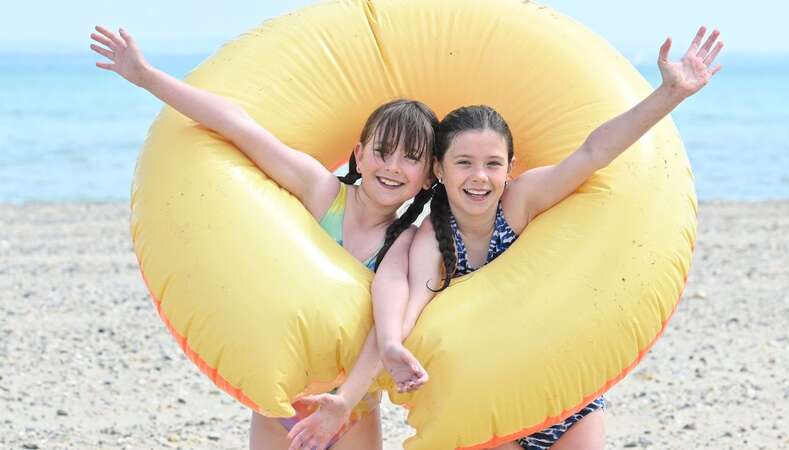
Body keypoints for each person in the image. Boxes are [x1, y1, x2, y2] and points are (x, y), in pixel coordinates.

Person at [287, 26, 723, 450]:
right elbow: (404, 308)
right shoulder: (433, 242)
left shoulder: (521, 202)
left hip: (567, 401)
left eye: (493, 164)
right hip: (489, 406)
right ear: (439, 170)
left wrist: (671, 94)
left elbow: (593, 152)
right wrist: (377, 364)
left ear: (510, 167)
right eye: (464, 163)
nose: (479, 177)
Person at [90, 25, 438, 450]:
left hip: (352, 405)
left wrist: (344, 403)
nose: (393, 167)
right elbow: (240, 127)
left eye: (411, 158)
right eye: (382, 151)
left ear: (427, 178)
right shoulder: (321, 191)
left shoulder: (404, 241)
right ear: (360, 153)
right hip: (282, 396)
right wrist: (147, 77)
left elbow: (384, 329)